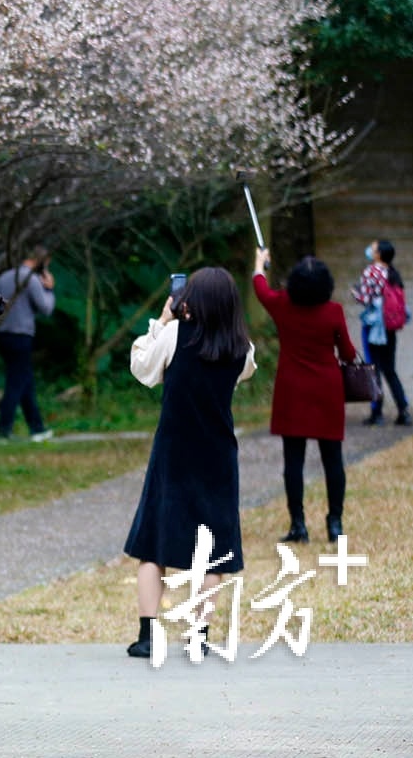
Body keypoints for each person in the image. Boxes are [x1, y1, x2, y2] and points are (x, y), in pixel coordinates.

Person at [122, 266, 256, 659]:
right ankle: (198, 636)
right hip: (218, 455)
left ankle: (148, 636)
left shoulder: (174, 335)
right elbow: (243, 374)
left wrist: (161, 321)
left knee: (155, 545)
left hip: (174, 451)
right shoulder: (242, 348)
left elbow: (144, 369)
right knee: (212, 551)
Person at [254, 250, 357, 543]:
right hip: (327, 390)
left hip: (292, 390)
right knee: (333, 460)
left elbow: (260, 288)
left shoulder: (282, 305)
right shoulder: (334, 311)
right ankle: (334, 522)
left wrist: (259, 263)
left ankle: (298, 524)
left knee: (293, 462)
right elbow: (348, 353)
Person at [0, 246, 57, 442]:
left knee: (24, 380)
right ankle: (3, 430)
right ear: (42, 262)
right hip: (21, 335)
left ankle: (36, 428)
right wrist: (49, 289)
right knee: (16, 382)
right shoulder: (32, 279)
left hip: (2, 334)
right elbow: (46, 308)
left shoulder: (3, 277)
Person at [351, 239, 411, 426]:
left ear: (378, 254)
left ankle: (377, 413)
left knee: (373, 369)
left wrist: (354, 292)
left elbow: (365, 299)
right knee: (390, 369)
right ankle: (403, 410)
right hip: (389, 327)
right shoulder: (393, 273)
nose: (370, 249)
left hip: (373, 326)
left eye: (373, 248)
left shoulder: (371, 272)